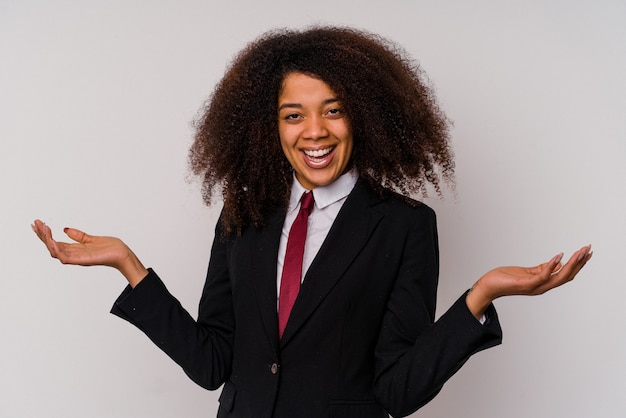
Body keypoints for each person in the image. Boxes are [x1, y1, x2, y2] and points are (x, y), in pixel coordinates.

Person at [32, 26, 592, 418]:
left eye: (334, 109)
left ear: (365, 117)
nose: (314, 132)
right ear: (269, 127)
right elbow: (212, 363)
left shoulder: (403, 226)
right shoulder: (243, 213)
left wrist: (481, 296)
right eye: (293, 115)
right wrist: (130, 268)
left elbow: (397, 390)